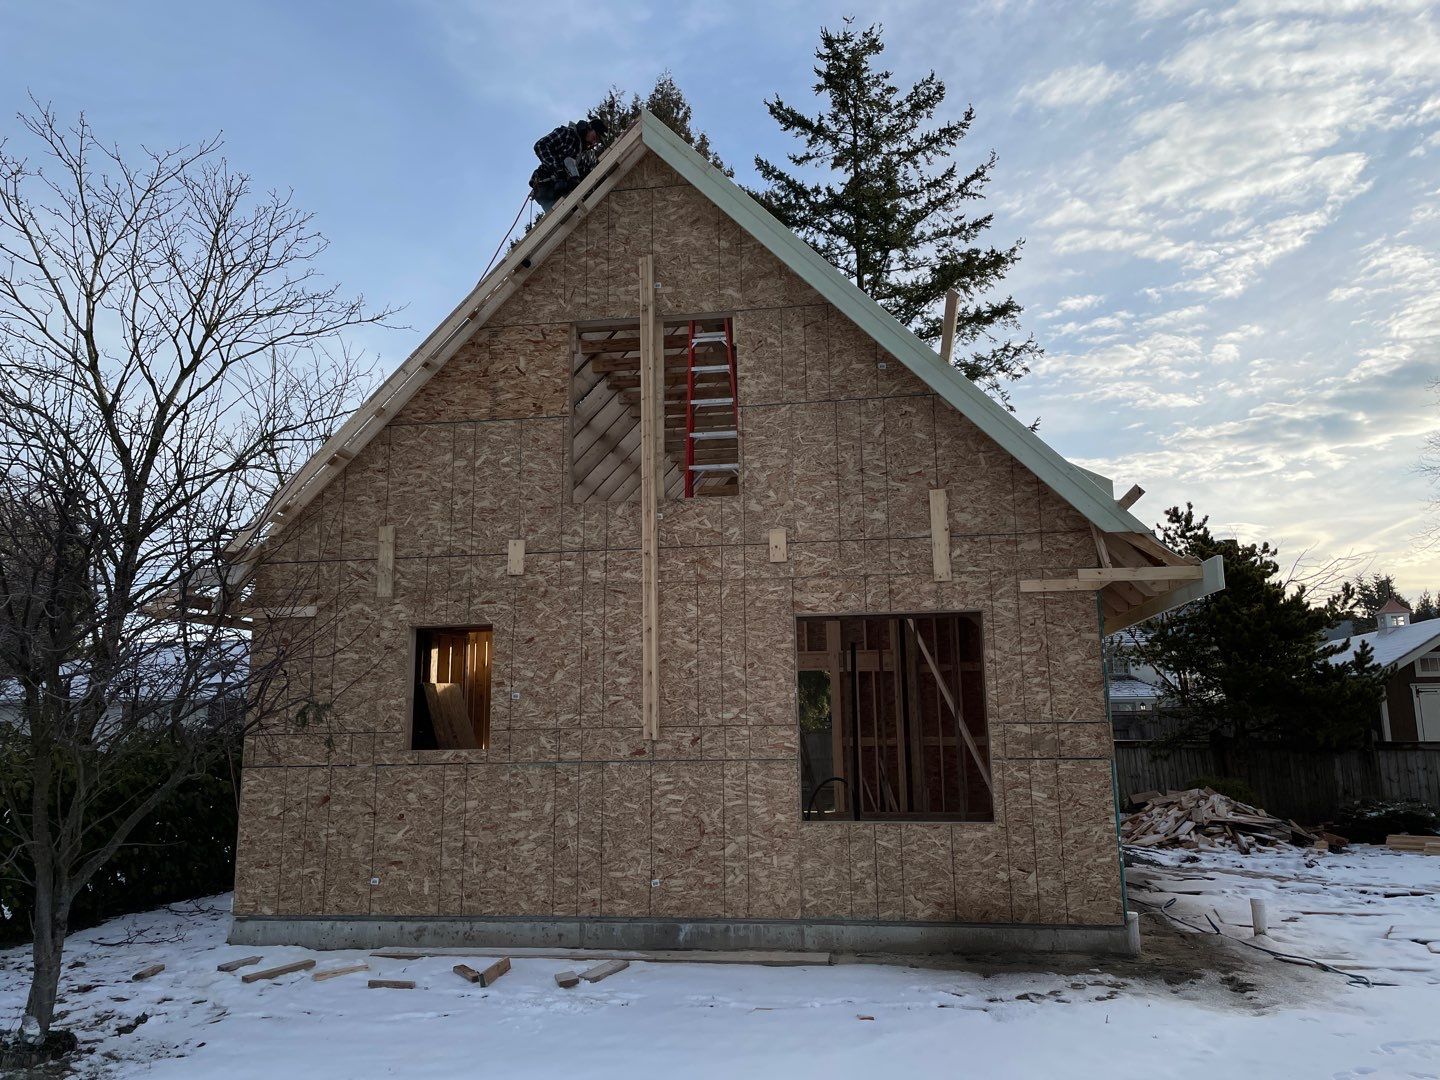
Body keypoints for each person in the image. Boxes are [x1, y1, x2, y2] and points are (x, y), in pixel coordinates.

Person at [529, 116, 607, 213]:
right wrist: (558, 169)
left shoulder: (586, 155)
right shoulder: (567, 134)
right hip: (546, 184)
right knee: (558, 218)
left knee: (574, 216)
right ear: (589, 128)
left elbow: (588, 175)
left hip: (563, 190)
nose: (595, 142)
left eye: (597, 141)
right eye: (595, 137)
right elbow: (541, 145)